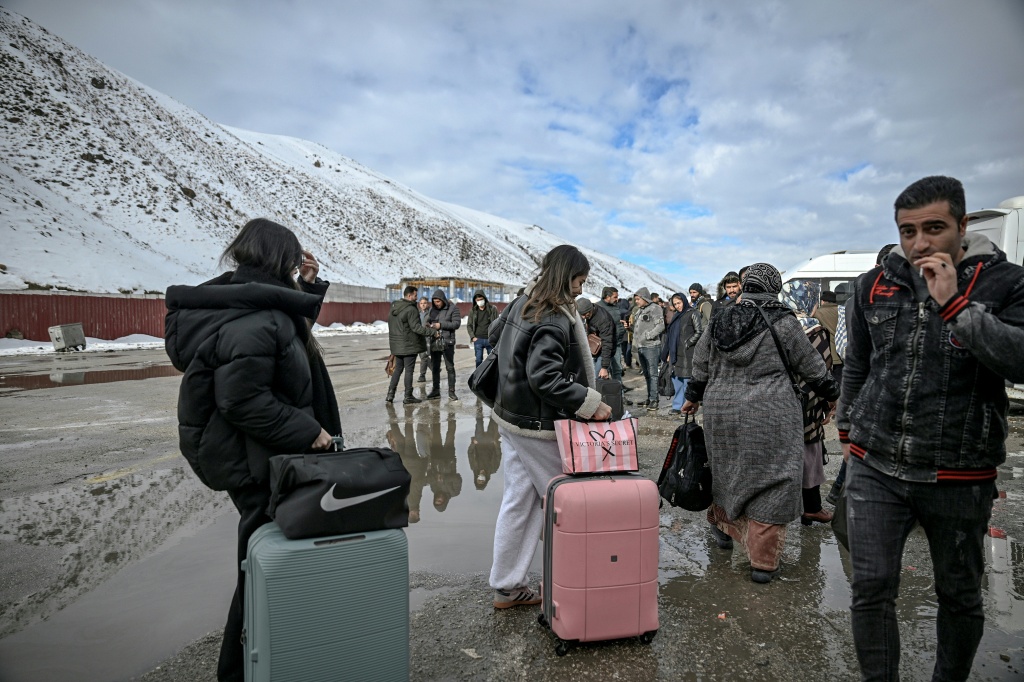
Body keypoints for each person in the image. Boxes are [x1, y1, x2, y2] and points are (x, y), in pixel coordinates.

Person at [838, 176, 1024, 681]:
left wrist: (956, 306)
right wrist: (847, 428)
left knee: (959, 594)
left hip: (959, 473)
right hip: (875, 464)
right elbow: (858, 364)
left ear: (962, 226)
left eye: (934, 228)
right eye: (908, 231)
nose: (920, 242)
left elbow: (1020, 361)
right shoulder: (873, 284)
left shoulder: (1005, 283)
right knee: (871, 587)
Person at [164, 218, 342, 682]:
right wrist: (309, 431)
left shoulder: (248, 301)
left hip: (258, 455)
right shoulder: (256, 316)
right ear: (279, 260)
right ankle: (239, 670)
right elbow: (242, 399)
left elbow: (284, 342)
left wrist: (307, 288)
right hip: (260, 460)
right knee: (261, 573)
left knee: (264, 565)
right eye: (293, 262)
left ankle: (264, 662)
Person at [682, 263, 839, 583]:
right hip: (771, 413)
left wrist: (693, 396)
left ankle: (724, 526)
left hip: (721, 411)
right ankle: (763, 562)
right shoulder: (784, 321)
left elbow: (700, 361)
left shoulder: (720, 318)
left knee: (727, 470)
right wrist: (831, 394)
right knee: (774, 477)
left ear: (747, 286)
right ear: (774, 288)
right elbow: (810, 365)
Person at [488, 245, 612, 608]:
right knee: (566, 502)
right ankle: (573, 580)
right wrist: (590, 403)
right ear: (564, 275)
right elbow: (544, 376)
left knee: (520, 502)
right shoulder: (554, 315)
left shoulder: (523, 302)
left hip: (511, 416)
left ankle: (507, 585)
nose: (581, 289)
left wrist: (572, 350)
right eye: (579, 281)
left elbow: (496, 335)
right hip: (537, 424)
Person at [779, 279, 837, 526]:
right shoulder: (815, 331)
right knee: (810, 452)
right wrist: (829, 401)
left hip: (779, 400)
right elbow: (821, 370)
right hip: (808, 401)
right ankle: (811, 507)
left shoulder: (777, 327)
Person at [386, 285, 434, 404]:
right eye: (415, 295)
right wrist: (433, 332)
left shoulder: (394, 307)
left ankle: (390, 394)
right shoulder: (411, 309)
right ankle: (408, 396)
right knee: (409, 371)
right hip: (409, 345)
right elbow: (416, 328)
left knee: (398, 370)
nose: (417, 298)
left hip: (397, 345)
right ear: (409, 295)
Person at [631, 287, 665, 411]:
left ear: (645, 298)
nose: (636, 302)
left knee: (653, 374)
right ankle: (650, 397)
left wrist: (648, 336)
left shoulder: (655, 308)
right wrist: (629, 327)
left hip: (651, 346)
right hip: (641, 346)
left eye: (638, 299)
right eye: (635, 299)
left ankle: (654, 400)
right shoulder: (640, 310)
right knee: (646, 374)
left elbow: (660, 326)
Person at [426, 289, 461, 401]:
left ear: (443, 300)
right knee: (435, 367)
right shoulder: (432, 310)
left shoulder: (453, 308)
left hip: (447, 342)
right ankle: (436, 390)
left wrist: (440, 325)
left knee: (450, 367)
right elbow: (428, 321)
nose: (437, 303)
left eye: (438, 301)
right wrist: (428, 324)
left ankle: (451, 391)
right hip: (435, 342)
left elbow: (456, 324)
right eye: (435, 302)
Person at [662, 293, 691, 414]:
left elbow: (699, 331)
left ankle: (686, 406)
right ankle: (677, 405)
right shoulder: (676, 316)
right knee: (677, 379)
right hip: (675, 352)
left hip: (687, 352)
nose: (678, 306)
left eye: (679, 303)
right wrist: (669, 352)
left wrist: (688, 343)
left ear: (684, 301)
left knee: (687, 380)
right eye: (675, 304)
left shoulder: (691, 313)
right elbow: (671, 336)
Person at [577, 296, 616, 380]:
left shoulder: (603, 319)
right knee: (592, 377)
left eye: (585, 314)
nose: (583, 317)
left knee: (598, 378)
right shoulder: (587, 314)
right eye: (581, 315)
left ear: (590, 310)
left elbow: (607, 342)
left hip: (603, 352)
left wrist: (604, 367)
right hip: (594, 350)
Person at [597, 286, 625, 381]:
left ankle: (618, 390)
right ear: (607, 297)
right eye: (615, 297)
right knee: (604, 371)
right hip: (605, 346)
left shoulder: (615, 307)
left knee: (617, 370)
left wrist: (623, 328)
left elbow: (617, 323)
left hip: (617, 344)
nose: (617, 299)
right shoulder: (598, 307)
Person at [467, 290, 499, 367]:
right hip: (478, 339)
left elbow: (498, 324)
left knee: (493, 360)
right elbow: (469, 325)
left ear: (484, 299)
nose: (479, 301)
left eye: (481, 299)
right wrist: (472, 337)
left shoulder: (492, 309)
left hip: (489, 339)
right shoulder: (473, 311)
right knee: (478, 360)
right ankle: (478, 374)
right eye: (477, 300)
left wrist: (495, 337)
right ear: (475, 301)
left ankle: (492, 374)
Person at [416, 296, 431, 383]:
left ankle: (422, 375)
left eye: (425, 303)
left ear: (427, 304)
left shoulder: (430, 313)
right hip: (417, 337)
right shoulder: (416, 313)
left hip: (426, 337)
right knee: (423, 356)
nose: (423, 305)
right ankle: (434, 368)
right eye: (421, 303)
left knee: (423, 356)